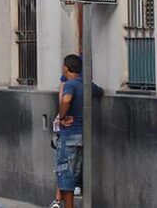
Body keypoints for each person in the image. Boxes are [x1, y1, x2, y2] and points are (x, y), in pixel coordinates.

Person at [51, 54, 103, 208]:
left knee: (66, 175)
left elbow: (66, 99)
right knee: (75, 173)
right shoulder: (86, 84)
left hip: (69, 134)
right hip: (83, 135)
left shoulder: (70, 84)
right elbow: (99, 91)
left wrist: (61, 117)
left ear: (66, 68)